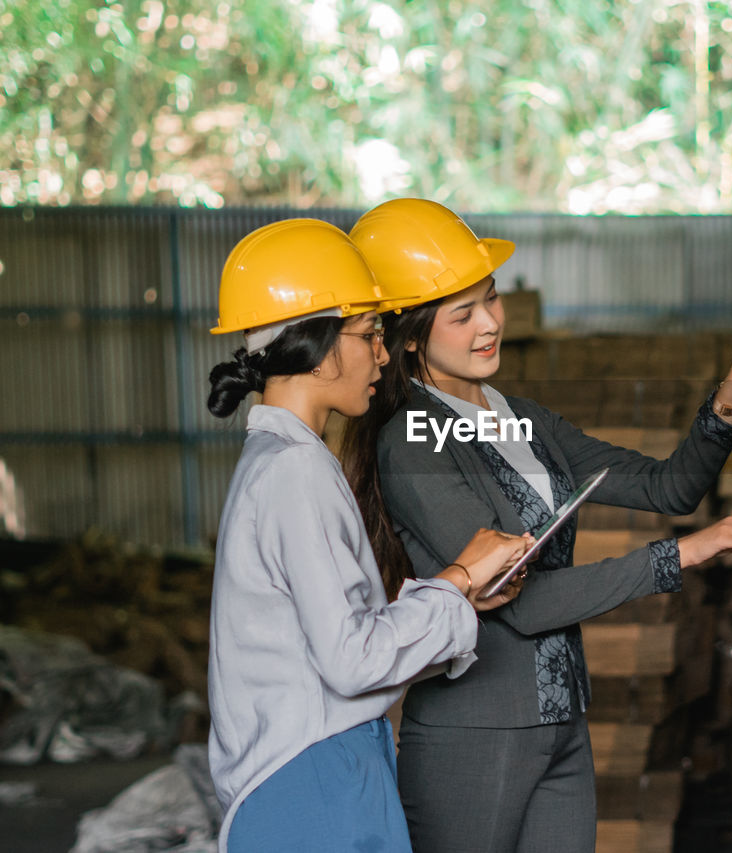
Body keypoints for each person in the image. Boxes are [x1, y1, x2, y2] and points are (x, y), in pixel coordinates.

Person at [339, 199, 732, 853]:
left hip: (562, 721)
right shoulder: (412, 443)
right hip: (475, 735)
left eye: (491, 299)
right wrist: (689, 551)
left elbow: (672, 486)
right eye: (462, 315)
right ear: (408, 336)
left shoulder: (523, 421)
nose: (489, 324)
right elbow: (526, 601)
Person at [204, 217, 532, 853]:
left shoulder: (282, 458)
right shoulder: (294, 470)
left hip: (315, 770)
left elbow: (334, 640)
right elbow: (352, 661)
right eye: (369, 334)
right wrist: (459, 579)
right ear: (321, 345)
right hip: (313, 780)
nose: (384, 354)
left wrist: (451, 596)